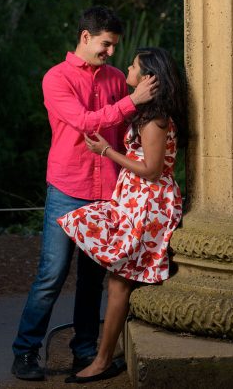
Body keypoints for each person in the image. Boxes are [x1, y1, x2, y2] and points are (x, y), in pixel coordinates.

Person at [11, 6, 158, 381]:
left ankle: (85, 351)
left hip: (108, 190)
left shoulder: (114, 79)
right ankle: (25, 351)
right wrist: (132, 101)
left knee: (93, 279)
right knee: (52, 274)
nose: (111, 52)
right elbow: (86, 123)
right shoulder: (56, 79)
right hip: (67, 188)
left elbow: (135, 121)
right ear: (85, 37)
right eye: (106, 44)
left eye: (114, 46)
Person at [58, 47, 187, 383]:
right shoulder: (145, 116)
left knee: (118, 281)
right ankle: (103, 355)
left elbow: (152, 170)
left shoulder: (156, 121)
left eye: (133, 66)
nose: (126, 67)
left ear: (147, 78)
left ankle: (101, 361)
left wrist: (107, 151)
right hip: (134, 199)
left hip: (149, 203)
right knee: (116, 275)